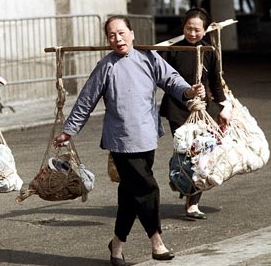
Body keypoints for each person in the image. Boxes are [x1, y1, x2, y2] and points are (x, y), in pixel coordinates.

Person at [53, 15, 205, 265]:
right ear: (107, 40)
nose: (118, 38)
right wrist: (69, 130)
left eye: (122, 33)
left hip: (147, 137)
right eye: (112, 35)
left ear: (132, 34)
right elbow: (86, 100)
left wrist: (189, 90)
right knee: (147, 189)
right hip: (121, 141)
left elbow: (171, 80)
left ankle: (116, 245)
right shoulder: (106, 66)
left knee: (130, 195)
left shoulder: (149, 57)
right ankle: (157, 241)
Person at [159, 8, 232, 220]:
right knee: (185, 153)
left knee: (201, 156)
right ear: (183, 28)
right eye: (189, 29)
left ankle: (192, 203)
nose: (192, 34)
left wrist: (225, 106)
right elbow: (162, 79)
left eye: (197, 30)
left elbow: (216, 84)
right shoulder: (172, 49)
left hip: (203, 111)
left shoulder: (209, 50)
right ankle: (185, 184)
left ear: (205, 30)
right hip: (177, 110)